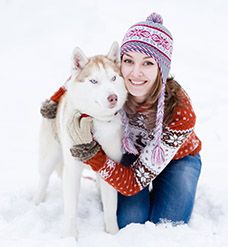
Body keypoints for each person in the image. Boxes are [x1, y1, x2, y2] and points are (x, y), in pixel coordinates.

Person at [41, 13, 202, 228]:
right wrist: (54, 101)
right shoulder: (116, 87)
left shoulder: (180, 110)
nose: (136, 73)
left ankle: (166, 188)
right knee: (129, 220)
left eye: (147, 63)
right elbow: (82, 78)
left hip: (177, 160)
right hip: (132, 156)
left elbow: (134, 181)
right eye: (129, 61)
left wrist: (95, 157)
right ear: (119, 63)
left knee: (168, 223)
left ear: (161, 69)